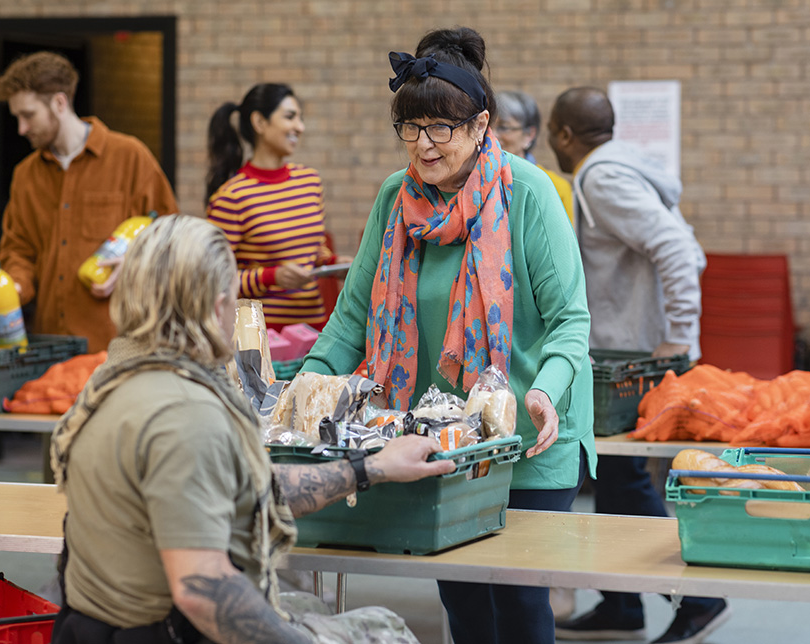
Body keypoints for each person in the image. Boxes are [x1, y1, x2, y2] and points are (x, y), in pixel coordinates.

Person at [300, 27, 596, 644]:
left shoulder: (529, 194)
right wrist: (304, 383)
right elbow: (354, 317)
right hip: (442, 438)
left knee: (519, 610)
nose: (425, 145)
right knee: (462, 604)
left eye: (442, 128)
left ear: (481, 124)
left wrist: (544, 391)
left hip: (527, 437)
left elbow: (570, 320)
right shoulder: (394, 198)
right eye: (411, 128)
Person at [50, 214, 451, 643]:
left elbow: (244, 485)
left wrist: (371, 467)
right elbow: (203, 591)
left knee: (314, 606)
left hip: (95, 624)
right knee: (386, 631)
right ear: (218, 306)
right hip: (159, 631)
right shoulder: (184, 413)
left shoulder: (113, 380)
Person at [547, 87, 728, 644]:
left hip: (634, 360)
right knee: (615, 479)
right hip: (626, 352)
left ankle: (698, 599)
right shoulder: (620, 168)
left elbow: (677, 248)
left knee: (618, 478)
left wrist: (677, 341)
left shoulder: (601, 178)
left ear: (563, 136)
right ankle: (622, 603)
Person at [0, 51, 178, 354]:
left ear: (59, 103)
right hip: (47, 348)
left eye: (28, 115)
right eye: (17, 117)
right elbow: (18, 250)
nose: (21, 128)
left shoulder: (130, 157)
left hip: (117, 349)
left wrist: (134, 265)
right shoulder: (25, 174)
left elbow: (173, 237)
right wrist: (13, 288)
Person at [205, 84, 348, 332]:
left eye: (300, 118)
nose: (300, 127)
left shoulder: (310, 181)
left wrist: (333, 264)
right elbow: (212, 279)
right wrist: (271, 277)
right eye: (290, 117)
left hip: (313, 331)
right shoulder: (232, 197)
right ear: (260, 122)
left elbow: (312, 253)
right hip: (258, 338)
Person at [492, 89, 573, 224]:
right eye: (488, 126)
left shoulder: (556, 187)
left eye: (503, 127)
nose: (493, 135)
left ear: (529, 134)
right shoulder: (472, 181)